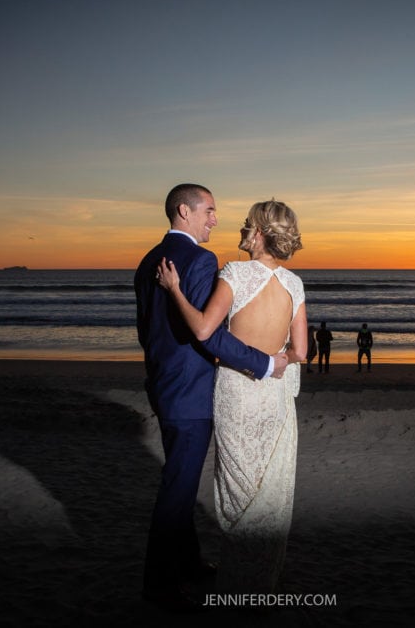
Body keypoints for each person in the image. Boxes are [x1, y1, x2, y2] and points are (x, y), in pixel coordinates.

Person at [135, 184, 288, 612]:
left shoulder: (148, 260)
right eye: (210, 211)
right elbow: (209, 334)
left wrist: (160, 376)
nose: (216, 220)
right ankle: (158, 585)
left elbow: (147, 332)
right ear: (184, 211)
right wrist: (263, 363)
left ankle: (187, 563)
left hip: (164, 388)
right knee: (177, 491)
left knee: (180, 481)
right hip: (191, 396)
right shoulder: (200, 260)